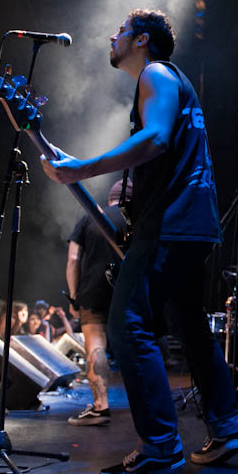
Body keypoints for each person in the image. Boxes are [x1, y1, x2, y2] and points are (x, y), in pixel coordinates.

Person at [41, 8, 238, 474]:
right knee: (190, 325)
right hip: (189, 223)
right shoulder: (164, 79)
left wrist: (83, 168)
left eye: (120, 32)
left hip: (170, 225)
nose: (112, 37)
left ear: (142, 40)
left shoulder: (155, 73)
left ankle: (160, 447)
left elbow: (155, 139)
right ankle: (226, 426)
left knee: (127, 322)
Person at [65, 179, 132, 426]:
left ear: (110, 198)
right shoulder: (138, 219)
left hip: (93, 290)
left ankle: (100, 407)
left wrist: (74, 296)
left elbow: (73, 259)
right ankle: (145, 407)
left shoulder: (90, 217)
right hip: (128, 289)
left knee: (95, 344)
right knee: (138, 344)